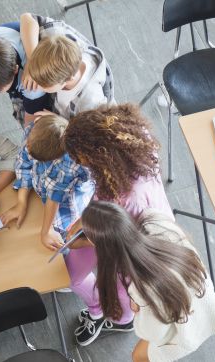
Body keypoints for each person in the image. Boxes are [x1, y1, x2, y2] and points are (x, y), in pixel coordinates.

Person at [61, 103, 173, 346]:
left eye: (85, 161)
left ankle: (121, 320)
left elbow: (110, 237)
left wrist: (81, 239)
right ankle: (101, 309)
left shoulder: (125, 196)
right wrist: (84, 220)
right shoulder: (132, 139)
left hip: (131, 247)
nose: (85, 167)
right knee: (72, 275)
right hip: (114, 225)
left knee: (121, 289)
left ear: (98, 157)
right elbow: (102, 202)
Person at [81, 201, 215, 362]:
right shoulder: (155, 221)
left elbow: (153, 332)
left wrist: (137, 309)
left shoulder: (143, 288)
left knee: (138, 357)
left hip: (186, 330)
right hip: (205, 303)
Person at [1, 113, 94, 252]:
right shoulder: (33, 132)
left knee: (64, 238)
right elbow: (23, 162)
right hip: (46, 191)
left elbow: (54, 198)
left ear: (54, 158)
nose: (27, 150)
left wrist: (46, 231)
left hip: (66, 202)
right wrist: (21, 203)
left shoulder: (67, 165)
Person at [24, 13, 115, 119]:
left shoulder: (90, 104)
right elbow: (27, 18)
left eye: (44, 85)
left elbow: (92, 133)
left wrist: (59, 122)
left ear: (68, 79)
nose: (38, 86)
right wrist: (31, 60)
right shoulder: (57, 43)